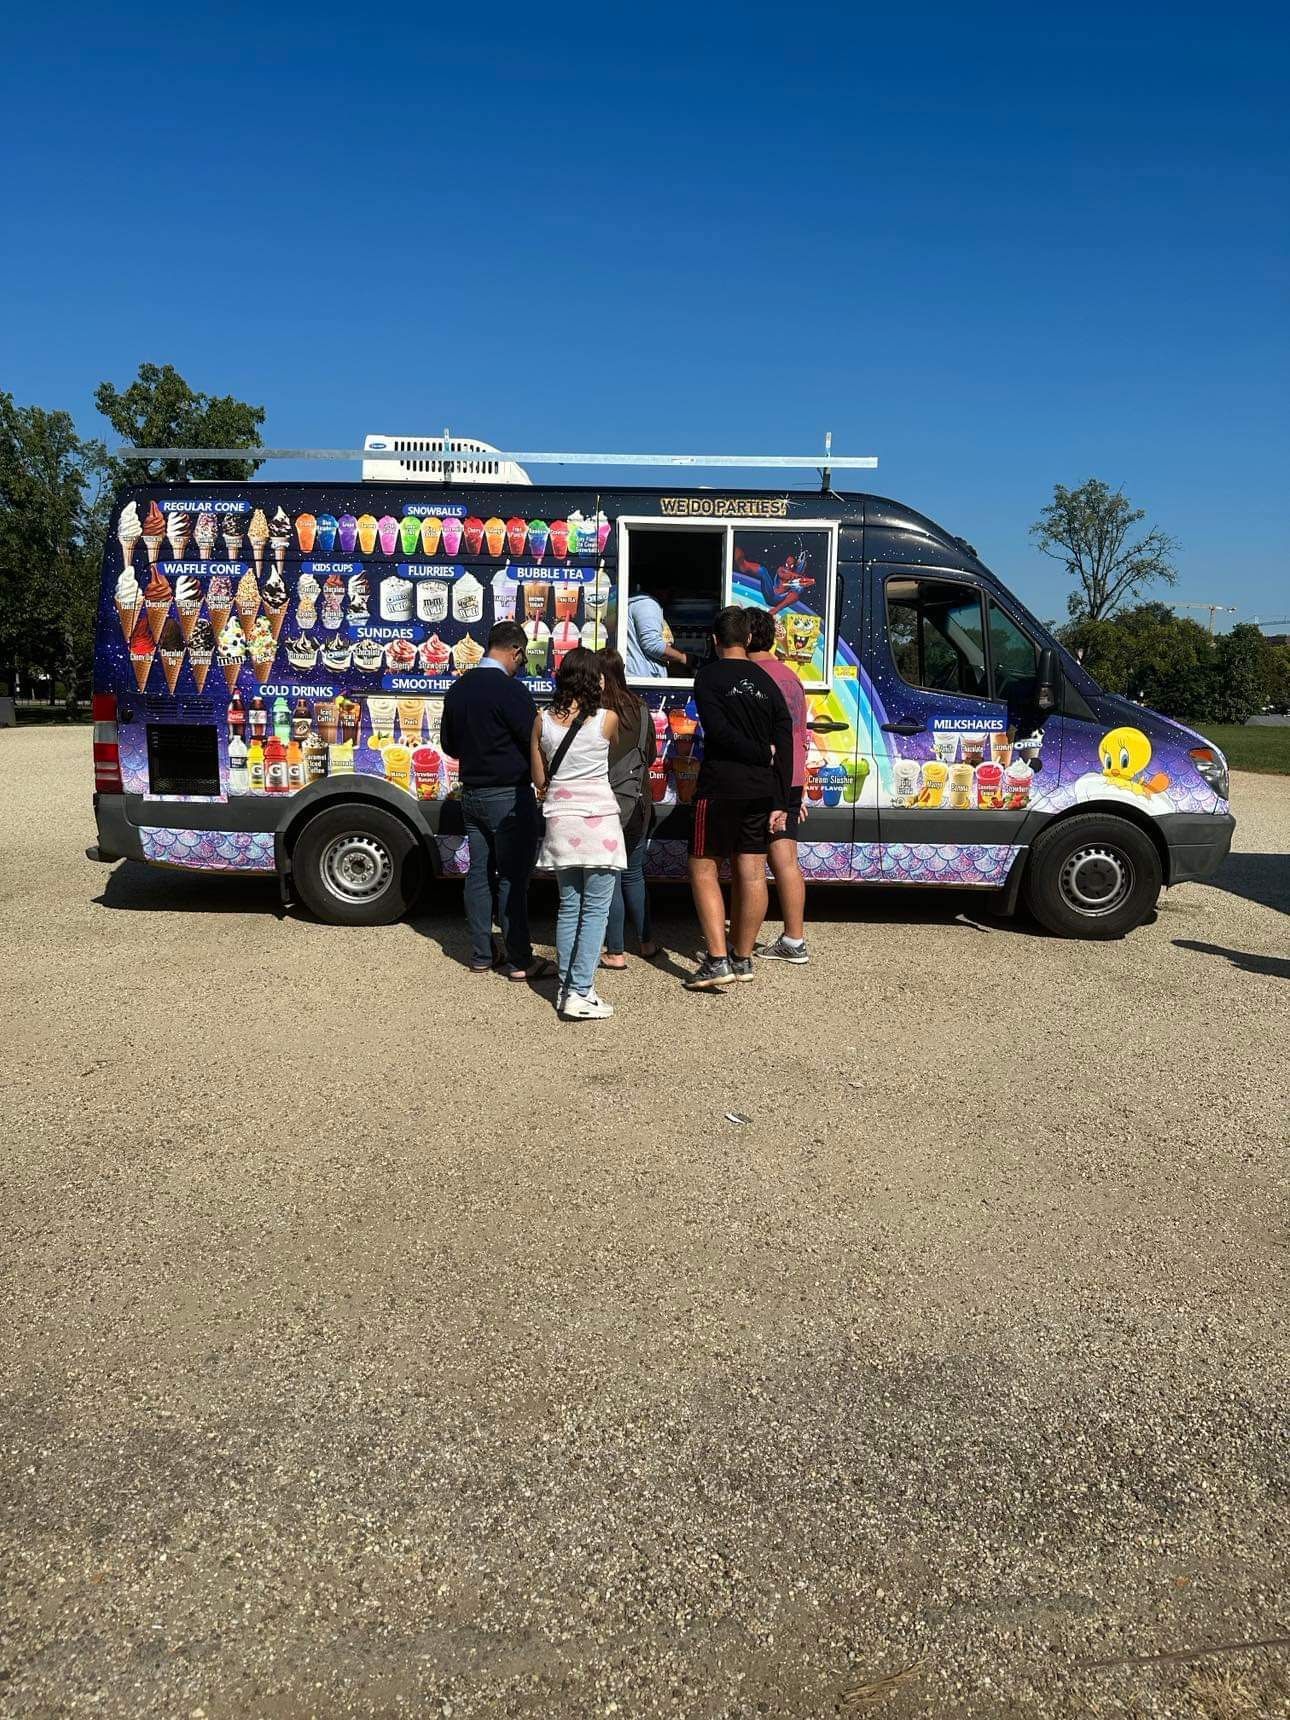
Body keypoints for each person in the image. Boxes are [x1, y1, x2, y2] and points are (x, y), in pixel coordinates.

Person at [684, 606, 792, 991]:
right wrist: (781, 797)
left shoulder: (709, 676)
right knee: (751, 870)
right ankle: (742, 957)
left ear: (714, 641)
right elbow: (786, 738)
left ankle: (716, 960)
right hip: (762, 790)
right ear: (747, 640)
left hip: (720, 786)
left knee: (703, 866)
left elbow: (718, 731)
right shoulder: (768, 682)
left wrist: (759, 753)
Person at [441, 620, 548, 981]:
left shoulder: (458, 688)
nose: (520, 665)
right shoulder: (512, 691)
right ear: (516, 651)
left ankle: (482, 954)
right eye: (521, 657)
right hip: (508, 797)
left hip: (470, 794)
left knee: (478, 875)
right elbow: (535, 741)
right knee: (513, 879)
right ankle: (520, 960)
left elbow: (449, 746)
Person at [531, 647, 627, 1020]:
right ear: (595, 679)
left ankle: (566, 986)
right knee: (596, 910)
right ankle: (581, 991)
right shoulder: (607, 718)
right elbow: (610, 752)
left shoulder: (541, 721)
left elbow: (540, 779)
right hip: (598, 820)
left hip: (560, 820)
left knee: (569, 907)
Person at [746, 607, 810, 963]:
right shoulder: (791, 676)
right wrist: (795, 785)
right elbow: (801, 734)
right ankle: (795, 940)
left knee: (750, 863)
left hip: (762, 779)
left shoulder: (748, 677)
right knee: (786, 860)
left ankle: (739, 947)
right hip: (792, 779)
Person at [597, 647, 660, 968]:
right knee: (633, 874)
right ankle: (647, 942)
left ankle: (616, 951)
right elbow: (650, 754)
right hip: (638, 801)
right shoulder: (642, 708)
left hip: (605, 803)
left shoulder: (596, 712)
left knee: (610, 876)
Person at [626, 583, 690, 678]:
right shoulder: (647, 605)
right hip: (643, 679)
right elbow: (652, 644)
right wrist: (684, 658)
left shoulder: (646, 605)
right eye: (672, 591)